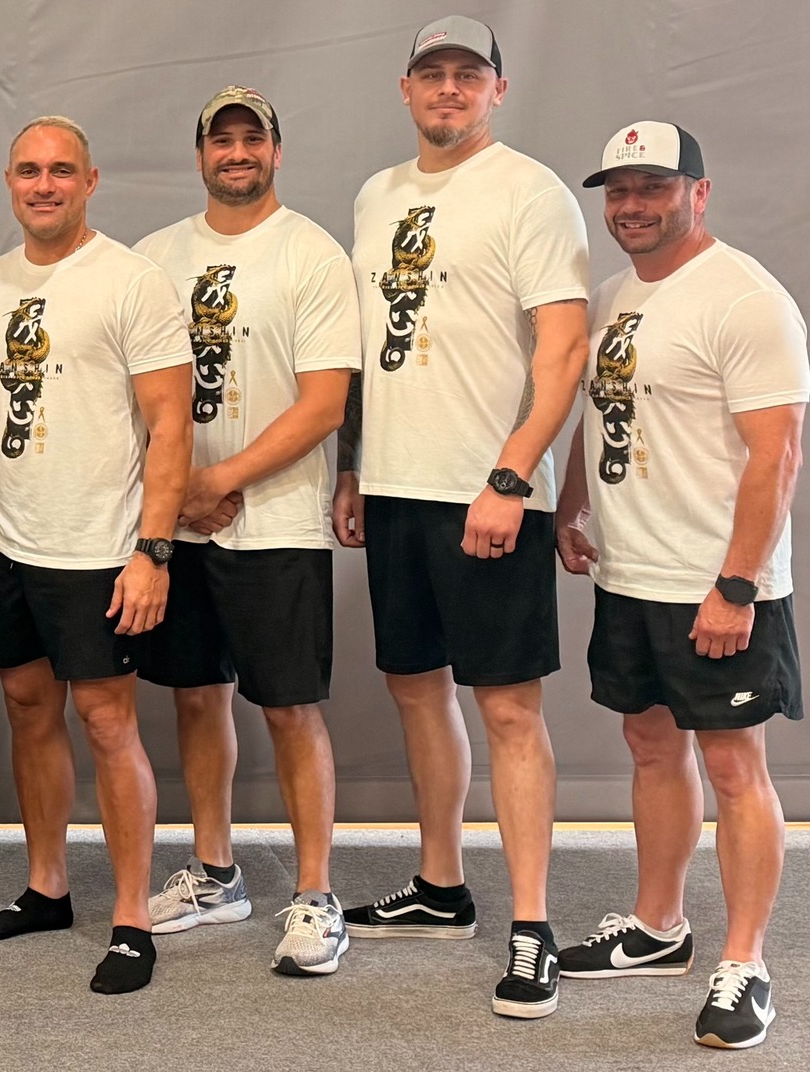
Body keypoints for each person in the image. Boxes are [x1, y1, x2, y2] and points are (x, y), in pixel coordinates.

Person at [333, 15, 592, 1019]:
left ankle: (531, 926)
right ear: (404, 89)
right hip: (397, 487)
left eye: (466, 75)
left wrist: (511, 477)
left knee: (507, 710)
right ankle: (440, 883)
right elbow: (368, 346)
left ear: (496, 88)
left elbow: (561, 352)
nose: (448, 89)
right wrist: (355, 466)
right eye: (430, 74)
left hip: (488, 490)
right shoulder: (375, 196)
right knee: (412, 686)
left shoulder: (528, 192)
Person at [552, 123, 803, 1050]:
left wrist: (736, 586)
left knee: (735, 768)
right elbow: (600, 410)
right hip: (634, 570)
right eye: (618, 190)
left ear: (700, 192)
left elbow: (778, 457)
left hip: (717, 581)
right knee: (651, 745)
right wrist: (572, 506)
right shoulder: (615, 295)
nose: (632, 206)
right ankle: (660, 927)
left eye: (653, 186)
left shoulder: (743, 299)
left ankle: (747, 962)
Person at [0, 116, 193, 995]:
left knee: (106, 721)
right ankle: (47, 886)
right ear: (9, 183)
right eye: (27, 171)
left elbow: (172, 424)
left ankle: (131, 918)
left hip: (99, 547)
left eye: (61, 171)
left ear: (91, 181)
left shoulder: (132, 280)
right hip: (14, 542)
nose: (43, 184)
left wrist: (152, 551)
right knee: (25, 704)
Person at [130, 87, 358, 975]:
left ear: (275, 151)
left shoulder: (310, 254)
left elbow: (326, 401)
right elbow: (136, 395)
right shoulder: (156, 258)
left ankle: (313, 893)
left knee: (291, 708)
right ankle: (218, 870)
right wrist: (176, 493)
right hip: (176, 527)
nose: (235, 152)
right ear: (199, 156)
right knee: (195, 693)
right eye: (219, 140)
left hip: (278, 519)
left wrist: (218, 479)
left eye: (250, 138)